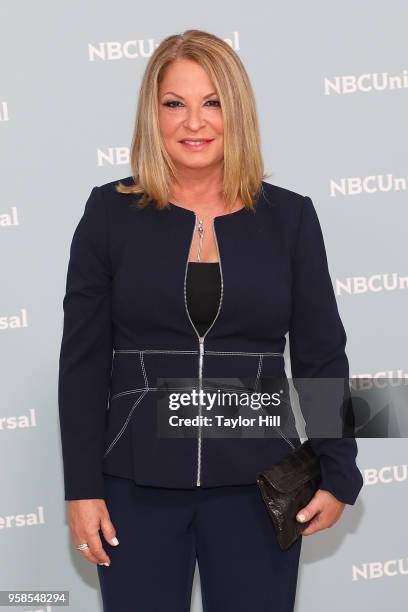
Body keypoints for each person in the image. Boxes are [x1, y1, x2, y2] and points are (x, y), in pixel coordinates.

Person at [58, 29, 363, 612]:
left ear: (237, 112)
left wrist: (338, 468)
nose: (193, 122)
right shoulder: (108, 213)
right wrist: (82, 490)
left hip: (260, 487)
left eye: (212, 102)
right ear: (153, 113)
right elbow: (83, 365)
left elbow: (322, 355)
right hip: (134, 487)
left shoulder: (291, 219)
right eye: (174, 103)